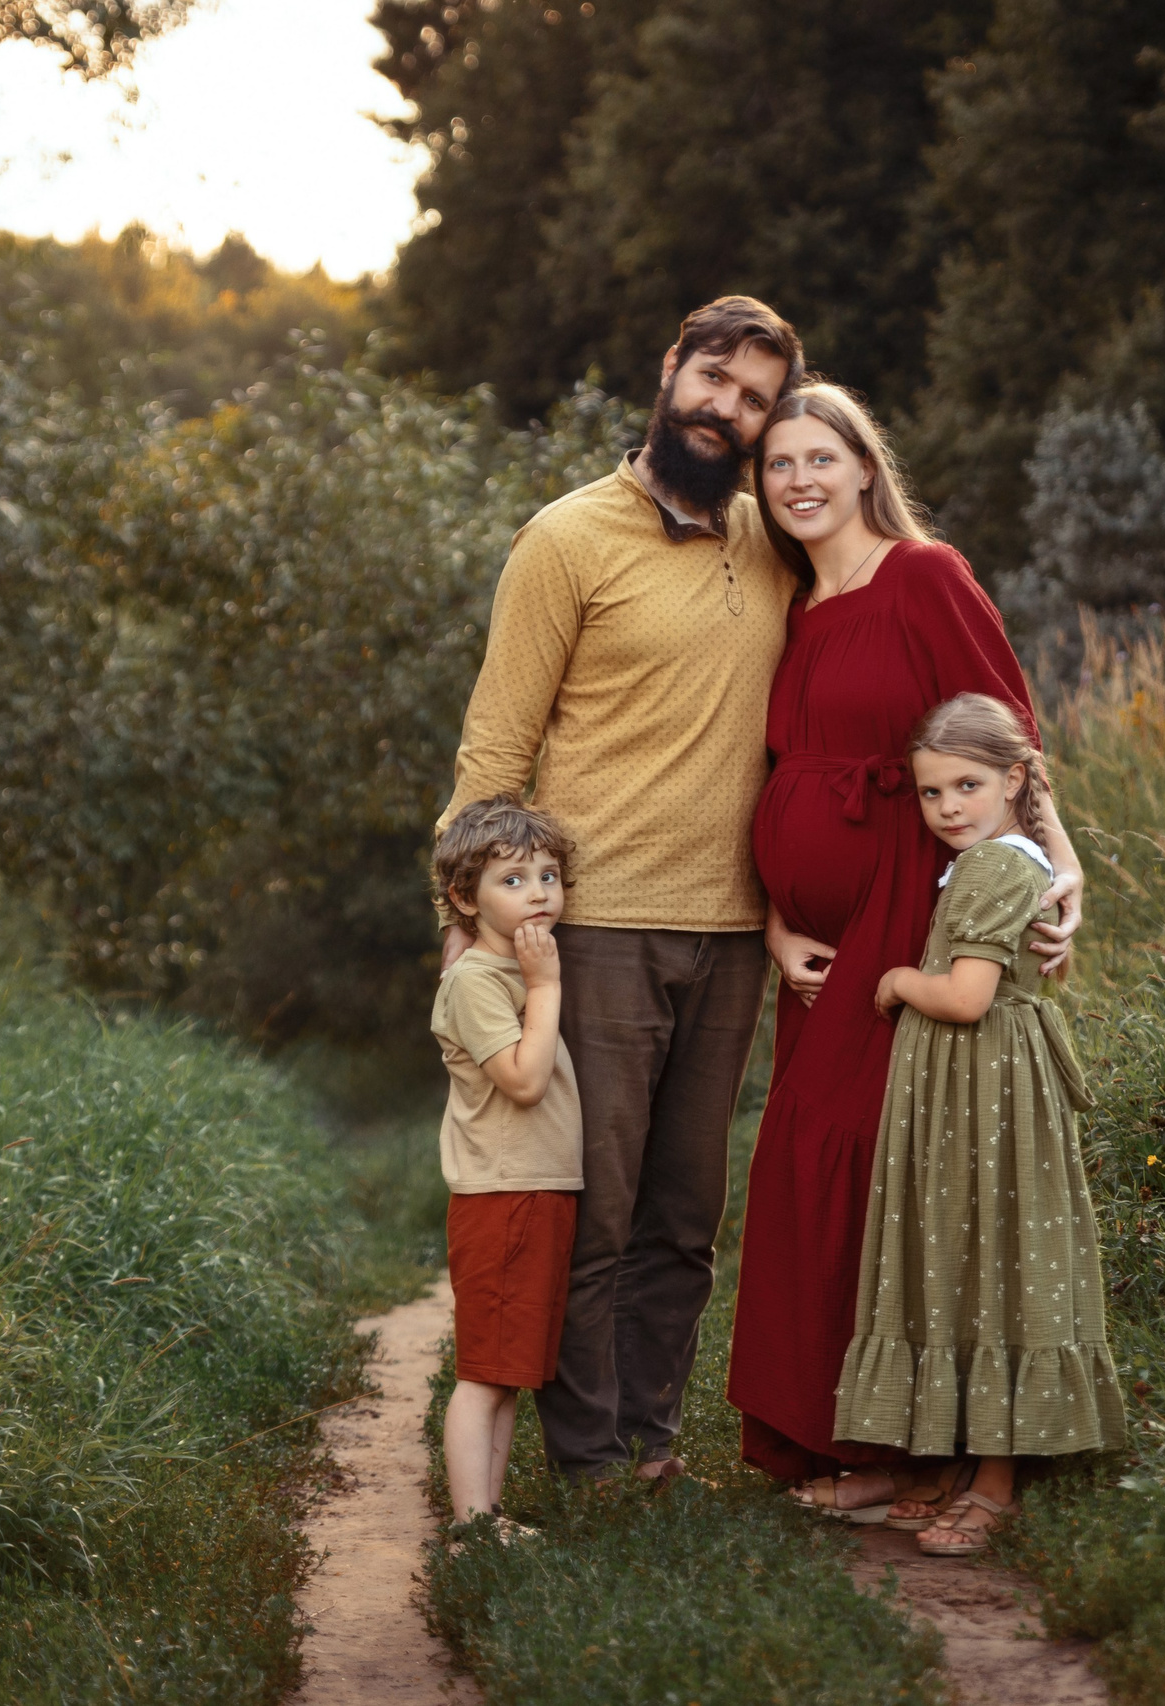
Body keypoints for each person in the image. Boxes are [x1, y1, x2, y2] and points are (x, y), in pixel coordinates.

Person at [439, 297, 805, 1480]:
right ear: (670, 370)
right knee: (591, 1208)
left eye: (754, 397)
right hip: (585, 928)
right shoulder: (566, 538)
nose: (726, 408)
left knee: (684, 1212)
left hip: (732, 931)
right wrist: (464, 936)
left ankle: (651, 1438)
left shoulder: (773, 541)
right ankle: (586, 1454)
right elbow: (496, 751)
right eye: (713, 379)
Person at [727, 383, 1084, 1518]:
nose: (799, 480)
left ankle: (946, 1447)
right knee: (808, 1161)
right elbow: (779, 779)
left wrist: (1057, 871)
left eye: (819, 456)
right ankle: (858, 1438)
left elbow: (1006, 728)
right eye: (778, 464)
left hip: (910, 906)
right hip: (817, 939)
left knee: (900, 1162)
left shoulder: (923, 575)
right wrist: (778, 919)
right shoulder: (792, 606)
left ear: (863, 463)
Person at [836, 693, 1126, 1555]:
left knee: (997, 1260)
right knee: (967, 1257)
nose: (949, 807)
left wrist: (894, 982)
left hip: (988, 1088)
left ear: (1013, 779)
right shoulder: (992, 861)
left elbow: (965, 998)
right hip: (975, 1089)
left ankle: (997, 1481)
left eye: (967, 785)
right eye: (931, 794)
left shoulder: (1000, 866)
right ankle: (955, 1464)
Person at [429, 796, 587, 1525]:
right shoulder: (478, 983)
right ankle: (469, 1528)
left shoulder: (516, 973)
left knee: (510, 1373)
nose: (538, 895)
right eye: (514, 880)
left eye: (549, 877)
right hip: (503, 1194)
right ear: (465, 897)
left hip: (539, 1188)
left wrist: (540, 983)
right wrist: (548, 987)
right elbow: (523, 1082)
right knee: (484, 1375)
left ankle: (486, 1518)